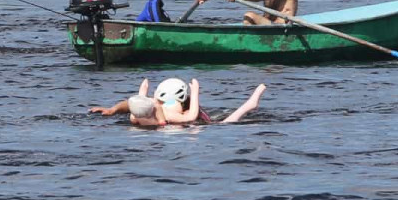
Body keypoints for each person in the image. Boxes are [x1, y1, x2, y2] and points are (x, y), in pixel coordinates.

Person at [88, 77, 266, 127]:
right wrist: (196, 92)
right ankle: (248, 105)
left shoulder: (152, 104)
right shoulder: (175, 112)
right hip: (171, 122)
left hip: (148, 118)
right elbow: (192, 115)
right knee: (225, 122)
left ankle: (250, 105)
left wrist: (112, 110)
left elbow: (129, 103)